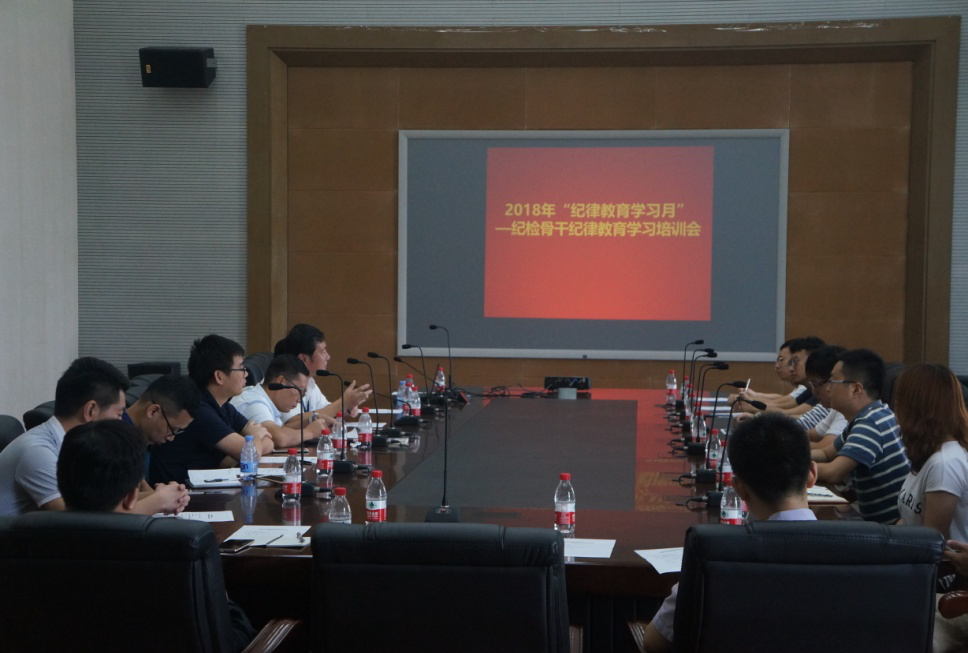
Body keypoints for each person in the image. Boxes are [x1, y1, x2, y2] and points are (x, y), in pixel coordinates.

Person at [56, 419, 257, 652]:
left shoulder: (28, 544)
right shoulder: (175, 551)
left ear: (61, 484)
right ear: (132, 497)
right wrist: (223, 597)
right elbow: (227, 641)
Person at [643, 412, 818, 652]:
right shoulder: (862, 552)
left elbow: (654, 642)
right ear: (812, 474)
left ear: (739, 489)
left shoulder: (714, 555)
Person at [0, 357, 128, 515]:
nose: (120, 423)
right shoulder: (37, 451)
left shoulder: (75, 448)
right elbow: (78, 519)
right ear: (90, 411)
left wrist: (154, 495)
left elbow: (102, 501)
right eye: (119, 414)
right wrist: (154, 501)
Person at [148, 334, 274, 484]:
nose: (246, 374)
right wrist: (253, 436)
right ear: (219, 376)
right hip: (181, 491)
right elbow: (250, 455)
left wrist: (245, 448)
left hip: (207, 487)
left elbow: (268, 442)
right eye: (241, 368)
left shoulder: (224, 406)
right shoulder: (197, 408)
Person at [812, 348, 910, 523]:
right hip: (879, 523)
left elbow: (834, 472)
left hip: (890, 529)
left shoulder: (870, 423)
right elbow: (826, 453)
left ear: (856, 389)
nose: (828, 388)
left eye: (833, 381)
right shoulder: (875, 413)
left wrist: (791, 469)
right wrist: (791, 456)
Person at [893, 363, 968, 540]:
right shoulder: (928, 452)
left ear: (915, 407)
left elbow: (930, 543)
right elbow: (908, 522)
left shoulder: (945, 464)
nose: (894, 407)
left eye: (899, 400)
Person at [123, 374, 201, 515]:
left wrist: (172, 496)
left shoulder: (137, 437)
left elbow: (137, 491)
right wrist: (161, 499)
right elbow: (113, 509)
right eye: (173, 429)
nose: (171, 438)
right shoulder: (115, 442)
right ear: (153, 411)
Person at [273, 323, 371, 424]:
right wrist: (342, 403)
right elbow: (292, 422)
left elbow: (326, 410)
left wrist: (347, 406)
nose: (328, 357)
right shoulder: (284, 382)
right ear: (304, 358)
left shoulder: (310, 382)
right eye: (322, 351)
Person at [231, 354, 319, 448]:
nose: (300, 400)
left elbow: (282, 430)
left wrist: (310, 421)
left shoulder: (265, 400)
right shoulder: (253, 402)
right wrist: (310, 432)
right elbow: (279, 438)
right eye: (299, 391)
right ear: (280, 381)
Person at [738, 336, 825, 417]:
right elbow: (784, 406)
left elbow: (791, 414)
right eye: (791, 362)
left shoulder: (824, 390)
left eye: (796, 361)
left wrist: (753, 409)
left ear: (813, 361)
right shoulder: (811, 389)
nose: (791, 368)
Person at [797, 344, 848, 447]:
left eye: (815, 384)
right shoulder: (836, 409)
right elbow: (810, 435)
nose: (813, 392)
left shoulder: (847, 412)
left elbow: (824, 448)